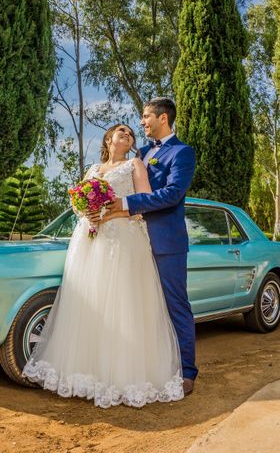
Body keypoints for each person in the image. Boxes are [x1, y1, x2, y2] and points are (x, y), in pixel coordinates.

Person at [22, 124, 185, 408]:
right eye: (121, 131)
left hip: (123, 238)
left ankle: (121, 376)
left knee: (122, 303)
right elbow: (77, 203)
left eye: (131, 134)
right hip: (89, 239)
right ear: (109, 139)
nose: (128, 135)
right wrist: (88, 212)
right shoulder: (93, 169)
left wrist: (114, 214)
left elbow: (145, 201)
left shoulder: (135, 164)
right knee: (87, 302)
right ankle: (84, 373)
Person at [97, 97, 198, 395]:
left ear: (162, 118)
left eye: (145, 117)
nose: (142, 122)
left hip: (166, 243)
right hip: (131, 245)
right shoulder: (138, 154)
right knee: (138, 309)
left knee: (175, 306)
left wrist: (124, 203)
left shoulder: (182, 152)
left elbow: (172, 194)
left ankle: (187, 371)